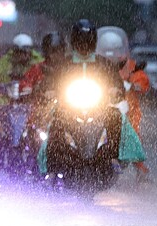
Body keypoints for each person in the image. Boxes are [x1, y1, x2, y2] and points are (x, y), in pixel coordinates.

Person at [44, 19, 126, 176]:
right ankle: (52, 168)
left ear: (93, 41)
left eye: (87, 41)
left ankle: (114, 157)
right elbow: (50, 82)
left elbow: (117, 82)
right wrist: (49, 90)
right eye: (81, 40)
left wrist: (115, 90)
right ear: (74, 41)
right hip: (69, 108)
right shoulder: (64, 65)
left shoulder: (104, 63)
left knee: (115, 117)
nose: (84, 45)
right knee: (56, 123)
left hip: (98, 108)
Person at [96, 30, 151, 181]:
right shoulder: (98, 65)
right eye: (107, 51)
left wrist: (135, 84)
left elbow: (141, 79)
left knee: (133, 135)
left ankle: (140, 170)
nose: (111, 55)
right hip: (100, 106)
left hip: (127, 110)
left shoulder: (130, 66)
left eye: (114, 51)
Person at [0, 33, 44, 107]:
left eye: (25, 52)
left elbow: (43, 78)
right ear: (14, 51)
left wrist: (36, 89)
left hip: (31, 103)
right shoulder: (5, 62)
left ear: (30, 52)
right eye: (19, 52)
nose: (22, 55)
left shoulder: (38, 62)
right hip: (7, 103)